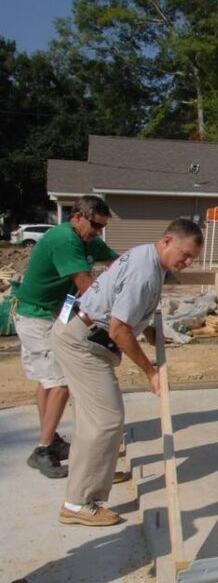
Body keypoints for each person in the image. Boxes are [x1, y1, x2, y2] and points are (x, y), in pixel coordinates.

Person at [53, 219, 203, 526]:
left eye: (192, 259)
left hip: (81, 332)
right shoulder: (145, 273)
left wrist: (145, 328)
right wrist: (150, 372)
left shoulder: (148, 259)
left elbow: (123, 311)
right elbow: (119, 329)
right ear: (166, 241)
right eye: (185, 254)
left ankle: (95, 477)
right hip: (84, 342)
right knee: (108, 419)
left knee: (92, 419)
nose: (186, 263)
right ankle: (78, 503)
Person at [12, 195, 116, 479]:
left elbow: (116, 263)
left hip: (50, 315)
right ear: (78, 217)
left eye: (102, 228)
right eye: (96, 226)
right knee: (59, 383)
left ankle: (51, 439)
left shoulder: (87, 240)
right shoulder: (65, 240)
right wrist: (115, 321)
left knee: (47, 382)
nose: (98, 232)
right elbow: (85, 286)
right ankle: (43, 450)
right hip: (37, 317)